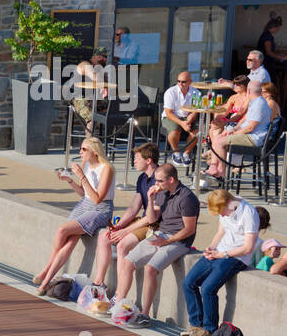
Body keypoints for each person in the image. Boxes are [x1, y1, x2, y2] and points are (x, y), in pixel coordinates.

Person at [114, 164, 199, 325]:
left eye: (159, 181)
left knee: (150, 269)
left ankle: (145, 314)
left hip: (179, 240)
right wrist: (151, 199)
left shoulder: (187, 198)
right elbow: (152, 219)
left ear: (171, 179)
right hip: (161, 233)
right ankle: (119, 303)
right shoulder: (161, 192)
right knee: (127, 262)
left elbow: (189, 230)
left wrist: (166, 242)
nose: (156, 183)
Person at [32, 136, 114, 293]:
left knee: (62, 230)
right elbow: (85, 194)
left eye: (84, 149)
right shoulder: (88, 166)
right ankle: (45, 283)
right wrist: (70, 180)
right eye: (80, 149)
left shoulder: (106, 168)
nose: (80, 152)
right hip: (84, 206)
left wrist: (81, 175)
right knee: (70, 241)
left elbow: (97, 199)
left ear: (94, 151)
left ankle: (47, 270)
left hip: (100, 210)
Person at [181, 188, 260, 336]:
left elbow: (248, 247)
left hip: (236, 257)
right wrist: (211, 248)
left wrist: (222, 254)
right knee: (188, 283)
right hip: (219, 252)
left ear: (229, 203)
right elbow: (220, 232)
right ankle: (196, 325)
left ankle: (210, 330)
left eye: (222, 212)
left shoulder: (249, 214)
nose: (222, 215)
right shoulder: (226, 207)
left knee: (208, 288)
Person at [89, 142, 160, 290]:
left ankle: (119, 292)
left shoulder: (159, 179)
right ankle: (98, 283)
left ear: (148, 160)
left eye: (137, 158)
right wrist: (118, 225)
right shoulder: (142, 178)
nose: (134, 161)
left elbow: (152, 217)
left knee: (122, 245)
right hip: (143, 220)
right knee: (104, 236)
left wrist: (124, 231)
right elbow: (134, 207)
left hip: (156, 224)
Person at [205, 79, 272, 185]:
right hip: (249, 135)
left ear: (249, 91)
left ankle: (219, 171)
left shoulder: (259, 104)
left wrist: (234, 133)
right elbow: (244, 121)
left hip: (253, 138)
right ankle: (217, 169)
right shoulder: (255, 102)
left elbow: (250, 127)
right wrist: (234, 129)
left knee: (219, 141)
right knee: (219, 138)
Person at [162, 72, 199, 163]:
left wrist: (189, 120)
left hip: (187, 117)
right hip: (171, 117)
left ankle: (186, 153)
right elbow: (169, 113)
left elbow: (196, 110)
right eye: (178, 81)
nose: (180, 84)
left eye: (183, 82)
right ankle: (176, 152)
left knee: (198, 132)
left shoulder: (196, 92)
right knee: (175, 130)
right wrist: (182, 123)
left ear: (190, 82)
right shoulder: (170, 92)